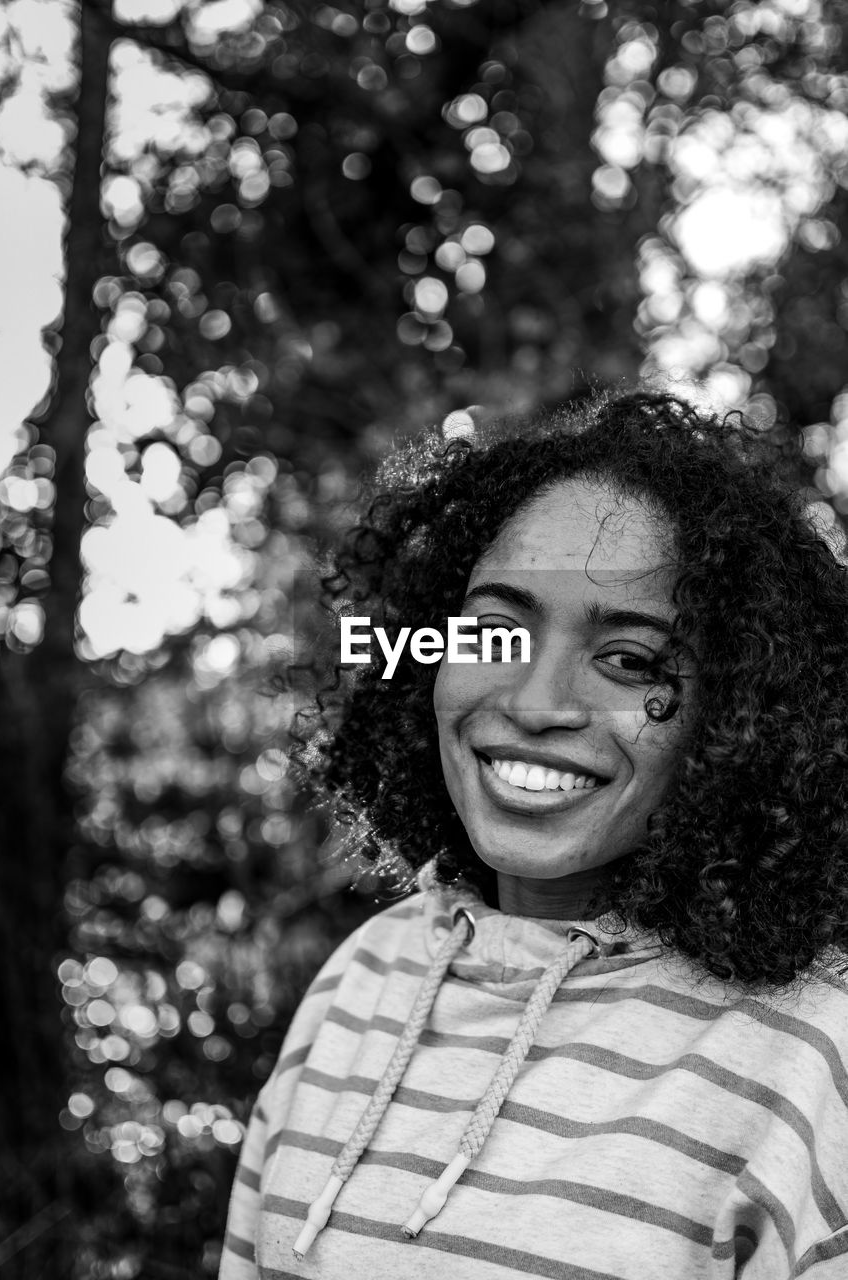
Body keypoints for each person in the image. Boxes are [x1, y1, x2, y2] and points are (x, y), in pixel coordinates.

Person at [219, 390, 848, 1279]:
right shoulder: (362, 977)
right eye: (495, 631)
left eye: (629, 660)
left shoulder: (808, 1059)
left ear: (737, 716)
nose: (532, 703)